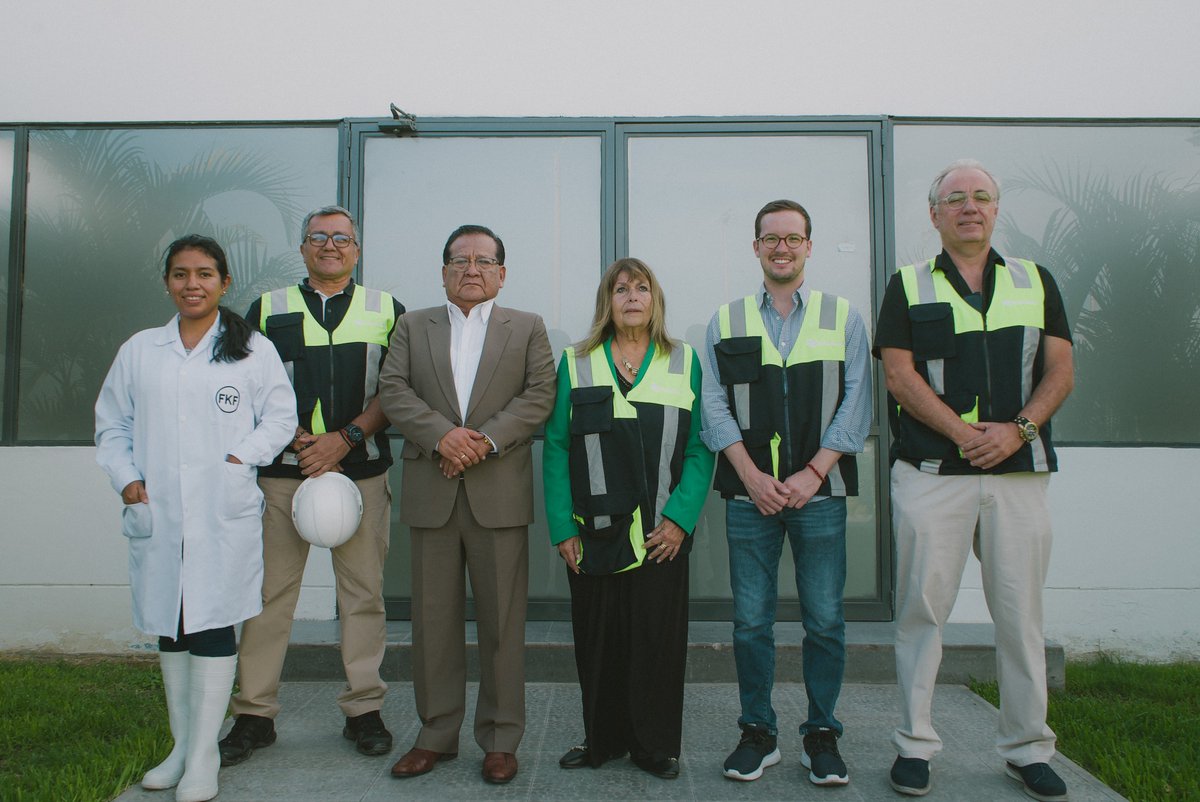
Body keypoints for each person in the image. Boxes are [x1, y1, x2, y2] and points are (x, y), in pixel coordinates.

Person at [874, 160, 1074, 800]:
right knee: (922, 612)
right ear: (934, 215)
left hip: (1018, 475)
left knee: (1021, 617)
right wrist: (967, 436)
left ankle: (1027, 748)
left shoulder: (1035, 282)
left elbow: (1061, 371)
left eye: (980, 197)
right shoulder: (907, 286)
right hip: (934, 475)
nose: (969, 207)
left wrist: (1016, 430)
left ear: (996, 210)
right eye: (954, 198)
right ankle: (914, 746)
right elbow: (900, 377)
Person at [95, 235, 296, 802]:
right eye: (181, 274)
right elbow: (112, 424)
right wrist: (127, 478)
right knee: (170, 622)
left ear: (224, 282)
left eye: (204, 274)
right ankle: (181, 747)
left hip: (220, 507)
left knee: (210, 621)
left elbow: (281, 417)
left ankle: (205, 756)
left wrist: (240, 458)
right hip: (156, 507)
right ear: (167, 283)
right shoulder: (141, 349)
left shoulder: (250, 348)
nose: (192, 284)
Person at [219, 206, 406, 765]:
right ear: (302, 249)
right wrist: (302, 439)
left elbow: (396, 390)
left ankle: (364, 709)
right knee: (269, 595)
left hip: (361, 470)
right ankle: (253, 714)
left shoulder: (386, 309)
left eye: (341, 238)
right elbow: (247, 384)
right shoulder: (268, 309)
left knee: (363, 594)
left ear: (357, 249)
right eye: (317, 237)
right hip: (283, 473)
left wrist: (344, 439)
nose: (329, 245)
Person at [701, 200, 871, 787]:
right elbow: (714, 406)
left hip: (819, 496)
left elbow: (856, 403)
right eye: (770, 238)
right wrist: (749, 476)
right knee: (751, 622)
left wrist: (815, 472)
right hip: (751, 498)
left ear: (808, 246)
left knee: (824, 620)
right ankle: (758, 733)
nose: (781, 247)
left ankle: (821, 736)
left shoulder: (842, 316)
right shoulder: (725, 321)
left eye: (792, 238)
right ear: (755, 248)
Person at [378, 224, 556, 785]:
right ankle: (436, 735)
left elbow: (540, 395)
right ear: (444, 270)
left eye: (484, 260)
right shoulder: (412, 325)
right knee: (433, 622)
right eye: (460, 259)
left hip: (498, 493)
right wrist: (442, 437)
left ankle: (501, 738)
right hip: (432, 490)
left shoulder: (526, 327)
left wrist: (479, 442)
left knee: (503, 623)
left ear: (502, 272)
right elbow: (393, 389)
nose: (471, 269)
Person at [542, 258, 714, 780]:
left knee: (657, 644)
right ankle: (602, 741)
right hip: (593, 533)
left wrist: (681, 520)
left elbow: (701, 449)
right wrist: (562, 527)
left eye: (642, 288)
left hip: (661, 535)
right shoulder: (577, 362)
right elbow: (554, 448)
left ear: (655, 300)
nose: (633, 296)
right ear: (607, 302)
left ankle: (654, 745)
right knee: (598, 641)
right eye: (621, 289)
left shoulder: (685, 362)